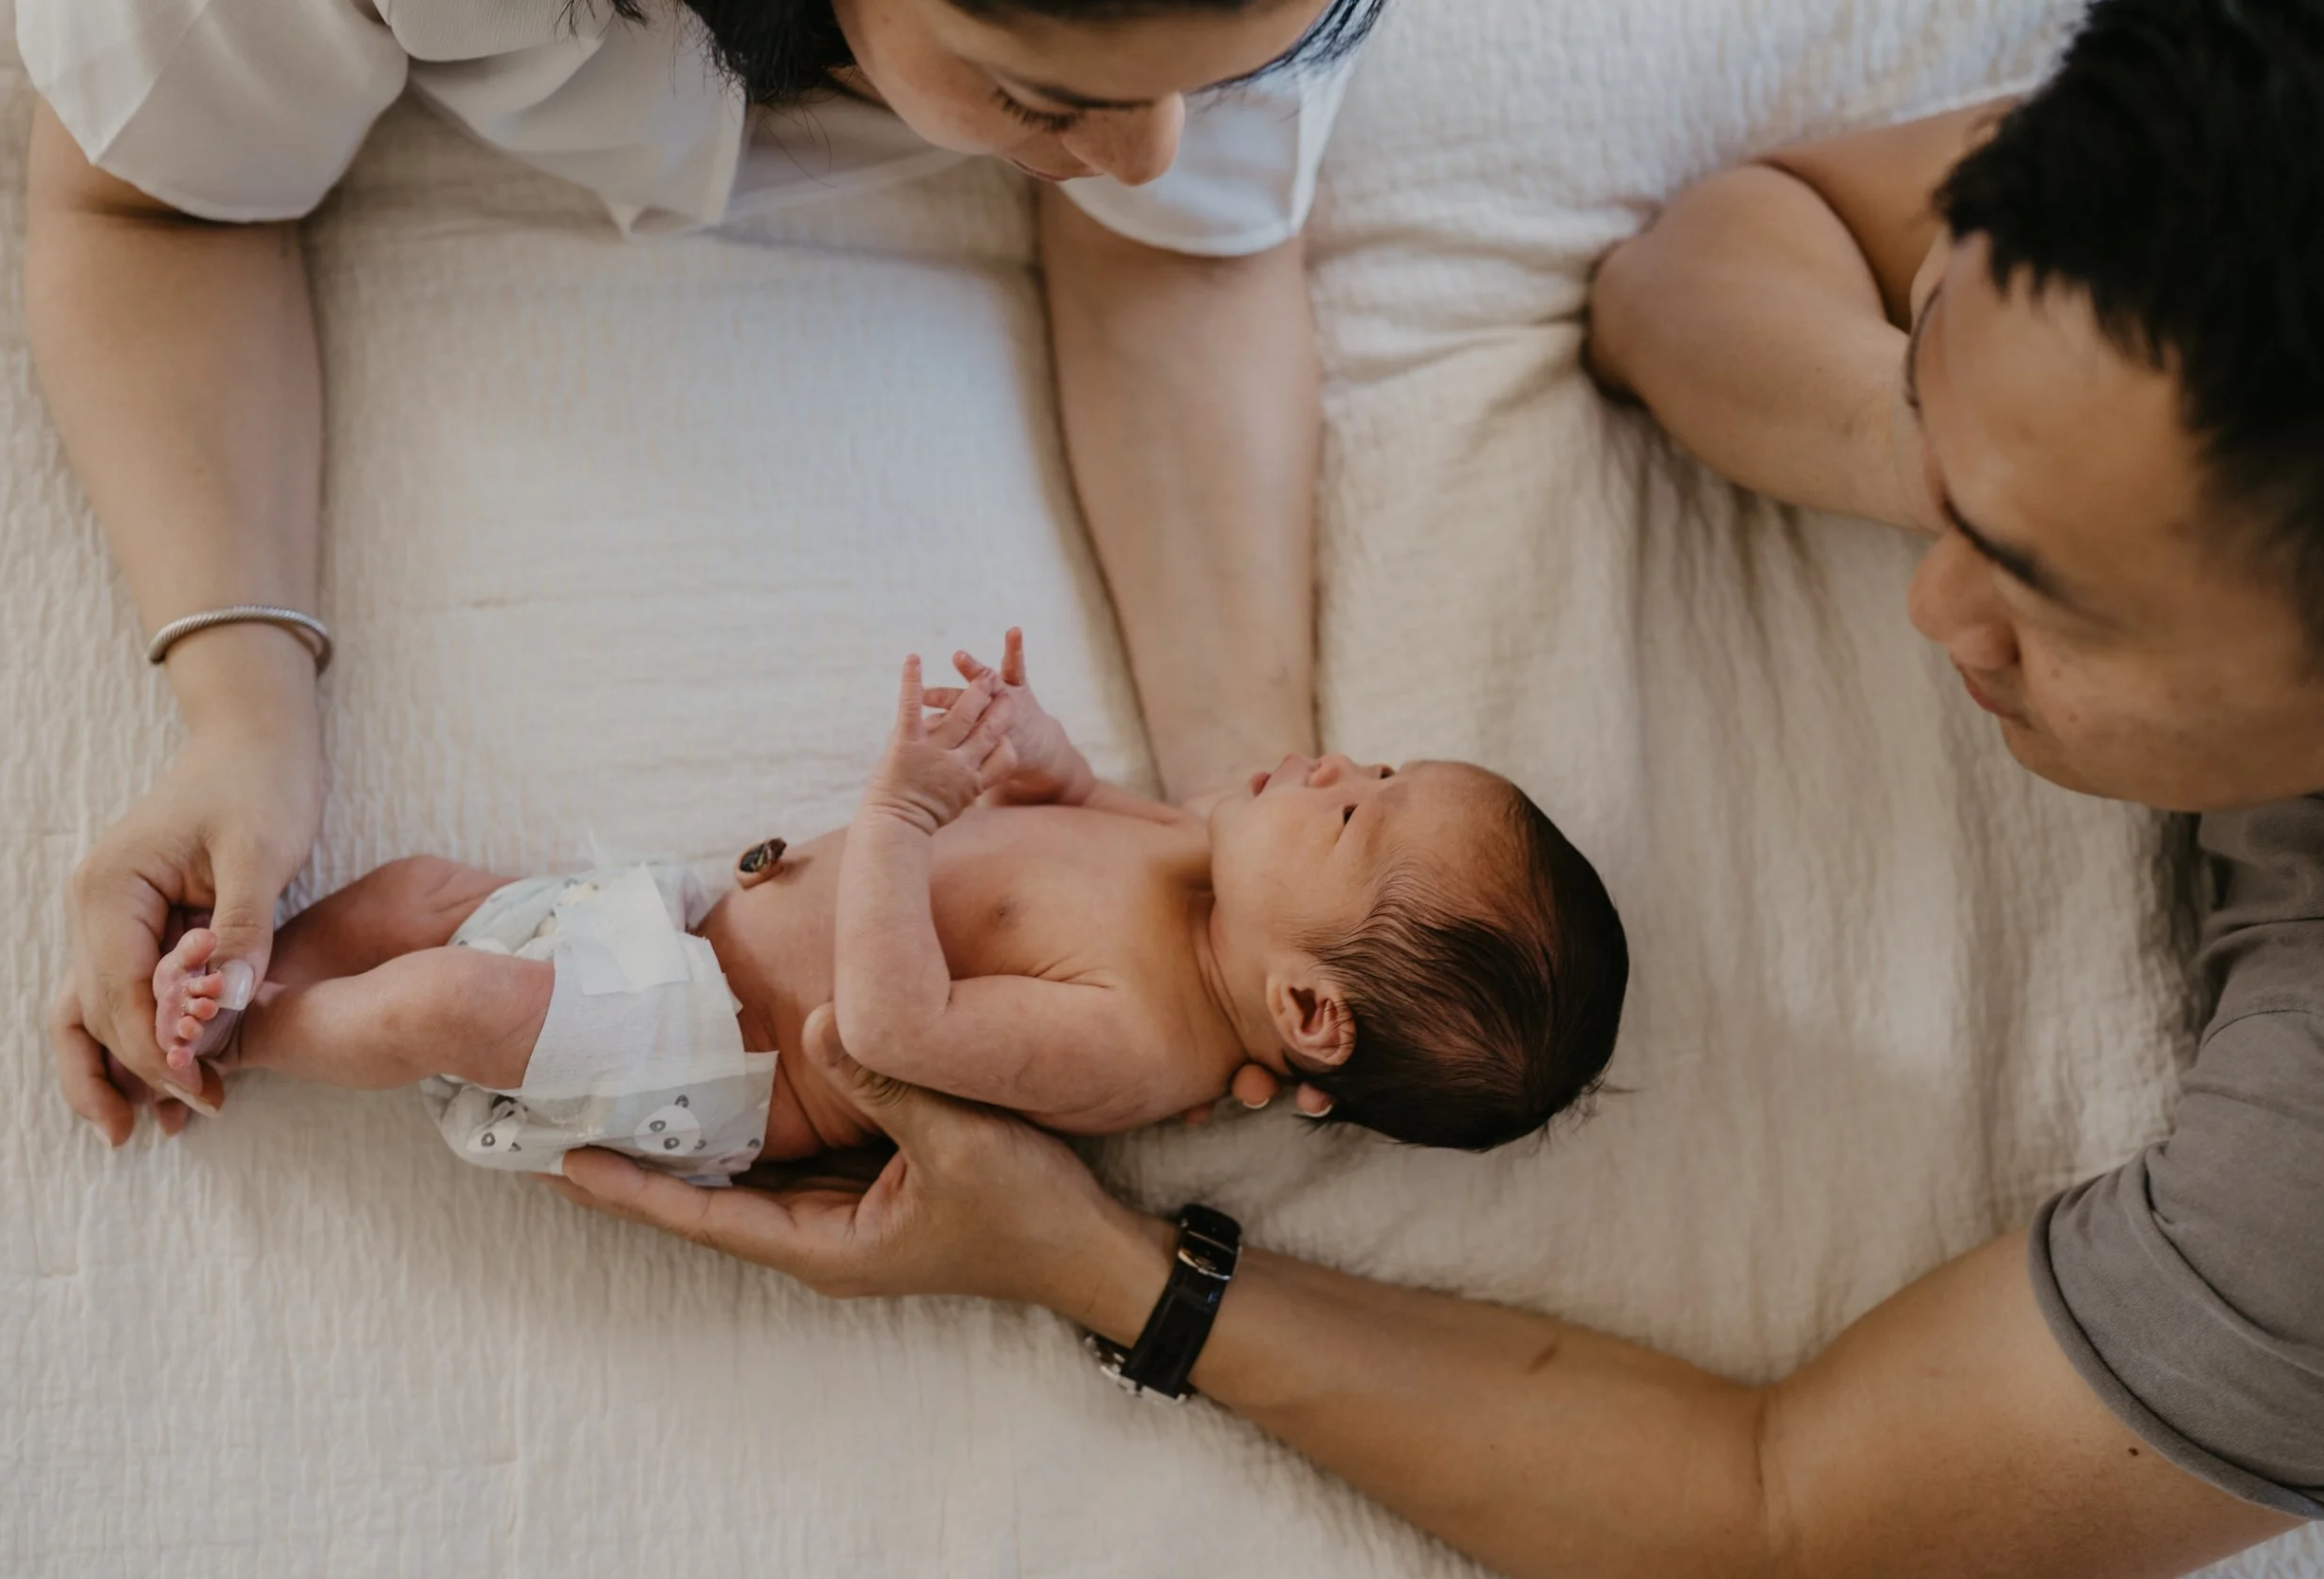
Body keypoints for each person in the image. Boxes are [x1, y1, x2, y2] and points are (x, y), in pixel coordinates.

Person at [544, 0, 2324, 1571]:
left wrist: (1095, 1265)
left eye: (2046, 597)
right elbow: (1704, 264)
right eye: (1947, 426)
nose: (1936, 604)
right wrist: (1973, 457)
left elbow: (1790, 1512)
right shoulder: (2232, 161)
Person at [27, 0, 1384, 1148]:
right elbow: (156, 200)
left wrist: (1255, 848)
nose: (1155, 157)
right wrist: (242, 713)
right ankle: (251, 1019)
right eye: (1040, 92)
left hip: (687, 1002)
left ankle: (260, 1011)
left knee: (449, 981)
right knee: (434, 950)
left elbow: (1188, 260)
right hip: (679, 981)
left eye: (1265, 55)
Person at [142, 630, 1626, 1174]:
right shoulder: (1202, 852)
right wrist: (1038, 754)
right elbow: (1082, 814)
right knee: (419, 896)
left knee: (452, 1003)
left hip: (717, 1052)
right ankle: (247, 950)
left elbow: (894, 1027)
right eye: (1377, 761)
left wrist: (909, 814)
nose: (1333, 763)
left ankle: (244, 1036)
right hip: (687, 914)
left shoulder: (1140, 1043)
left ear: (1308, 1008)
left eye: (1356, 809)